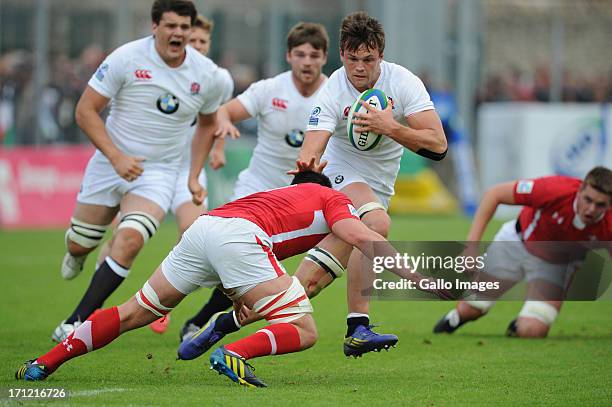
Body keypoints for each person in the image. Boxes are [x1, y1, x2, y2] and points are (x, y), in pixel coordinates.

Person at [16, 172, 450, 387]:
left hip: (208, 228)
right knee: (304, 329)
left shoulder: (278, 196)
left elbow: (236, 251)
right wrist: (419, 277)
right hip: (240, 239)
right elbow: (361, 237)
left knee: (134, 312)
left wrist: (237, 295)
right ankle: (234, 354)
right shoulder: (333, 198)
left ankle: (44, 363)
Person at [51, 0, 226, 343]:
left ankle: (75, 321)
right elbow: (86, 110)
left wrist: (192, 175)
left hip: (158, 172)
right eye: (170, 25)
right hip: (108, 164)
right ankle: (78, 252)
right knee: (79, 244)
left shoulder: (209, 76)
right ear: (155, 27)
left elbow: (206, 124)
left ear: (192, 30)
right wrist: (116, 157)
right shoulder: (125, 58)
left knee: (130, 239)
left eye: (184, 27)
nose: (178, 33)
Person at [294, 11, 447, 356]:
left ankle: (232, 320)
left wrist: (389, 126)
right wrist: (308, 164)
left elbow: (438, 146)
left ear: (381, 55)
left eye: (368, 59)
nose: (359, 68)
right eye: (352, 59)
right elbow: (313, 145)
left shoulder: (403, 82)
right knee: (375, 222)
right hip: (341, 173)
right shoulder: (334, 87)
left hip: (378, 186)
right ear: (342, 55)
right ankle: (359, 326)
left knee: (310, 285)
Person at [178, 21, 331, 340]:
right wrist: (220, 140)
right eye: (300, 54)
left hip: (298, 201)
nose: (307, 61)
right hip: (257, 190)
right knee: (237, 259)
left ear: (324, 58)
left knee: (252, 267)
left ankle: (208, 319)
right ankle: (203, 317)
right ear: (289, 56)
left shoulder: (333, 94)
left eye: (314, 55)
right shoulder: (269, 90)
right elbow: (223, 112)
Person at [90, 14, 234, 335]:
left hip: (186, 171)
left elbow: (219, 116)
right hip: (155, 169)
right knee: (123, 238)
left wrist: (220, 146)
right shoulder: (162, 71)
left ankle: (161, 301)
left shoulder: (209, 79)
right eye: (191, 40)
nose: (194, 45)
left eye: (201, 42)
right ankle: (96, 304)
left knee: (193, 234)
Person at [433, 166, 612, 338]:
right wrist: (471, 248)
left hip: (557, 266)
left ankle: (519, 326)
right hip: (515, 245)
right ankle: (455, 318)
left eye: (600, 205)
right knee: (472, 309)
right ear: (580, 190)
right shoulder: (555, 189)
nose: (591, 210)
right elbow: (494, 194)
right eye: (588, 200)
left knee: (532, 331)